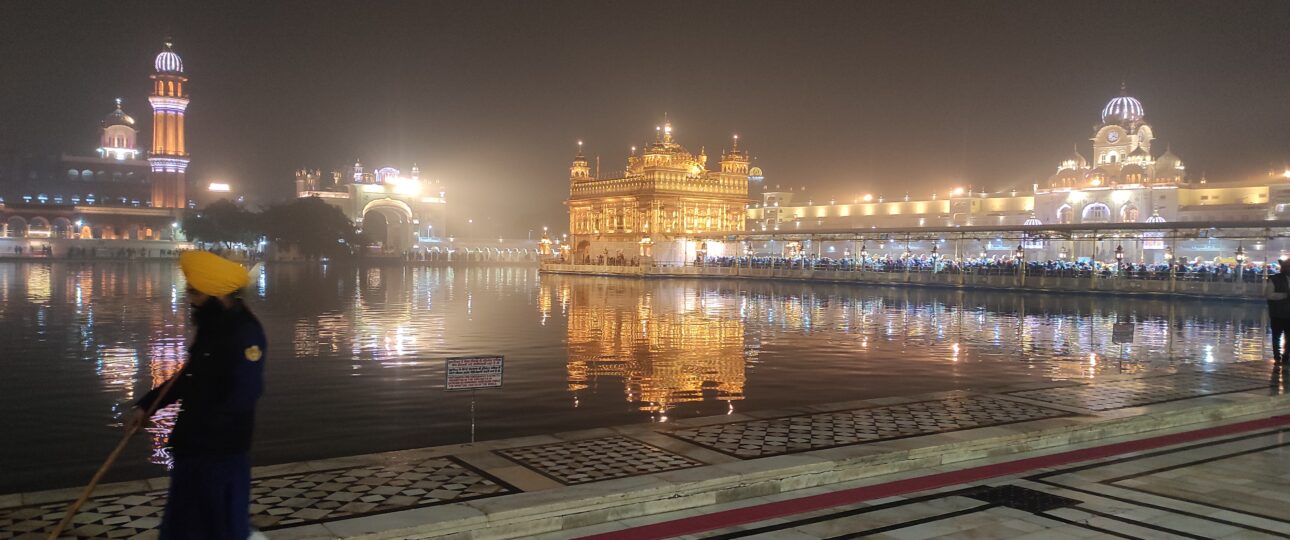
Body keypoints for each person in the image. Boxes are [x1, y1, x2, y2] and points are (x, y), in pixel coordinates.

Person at [129, 251, 266, 539]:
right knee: (186, 524)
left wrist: (208, 429)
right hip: (194, 446)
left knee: (218, 526)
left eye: (194, 291)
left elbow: (245, 393)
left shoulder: (246, 333)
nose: (190, 298)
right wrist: (148, 406)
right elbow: (186, 379)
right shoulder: (212, 328)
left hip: (220, 450)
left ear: (215, 292)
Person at [1266, 258, 1290, 364]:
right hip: (1277, 314)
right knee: (1276, 336)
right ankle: (1277, 356)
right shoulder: (1274, 279)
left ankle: (1286, 356)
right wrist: (1285, 295)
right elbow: (1269, 295)